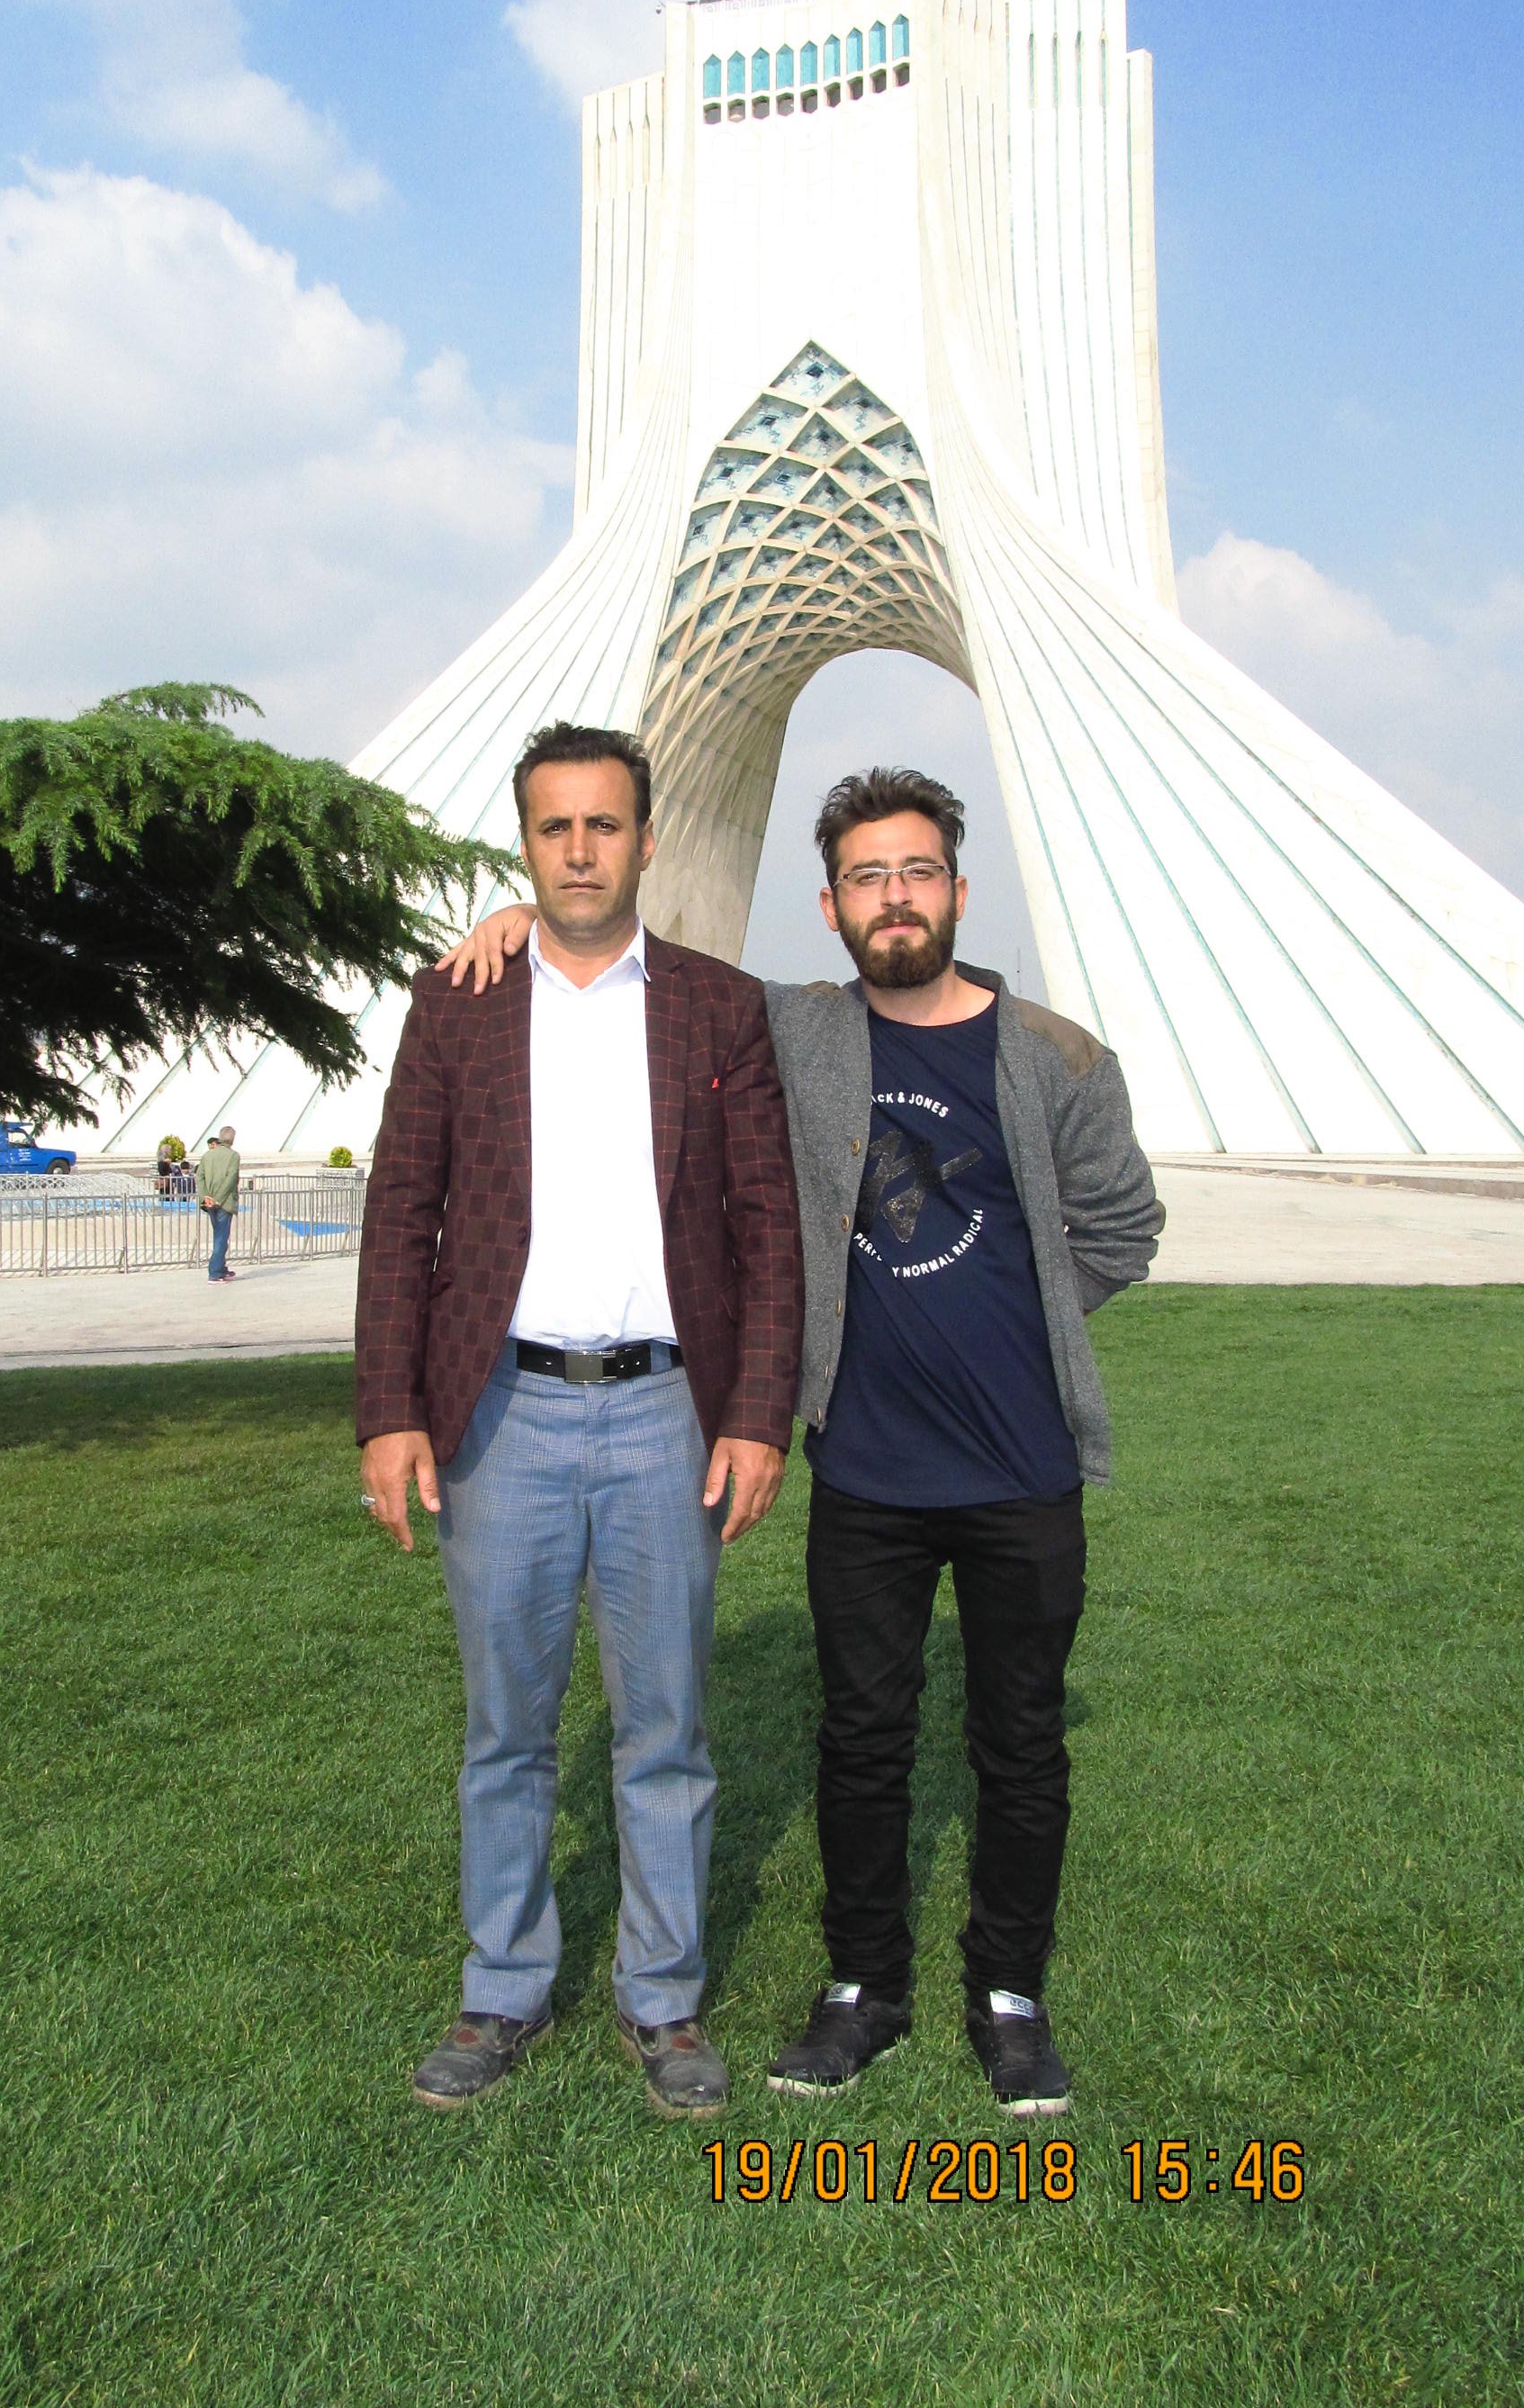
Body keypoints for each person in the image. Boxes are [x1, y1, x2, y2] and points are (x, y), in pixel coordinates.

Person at [439, 766, 1163, 2115]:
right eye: (868, 880)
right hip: (872, 1469)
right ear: (830, 909)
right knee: (864, 1738)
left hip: (1022, 1470)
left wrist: (1036, 1320)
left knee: (1020, 1744)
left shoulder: (1056, 1056)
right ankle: (863, 1985)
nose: (897, 900)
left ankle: (1010, 1995)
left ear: (957, 886)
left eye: (919, 872)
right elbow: (632, 966)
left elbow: (1122, 1229)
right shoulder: (796, 1029)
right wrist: (514, 918)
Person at [357, 721, 803, 2120]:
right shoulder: (463, 1003)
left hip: (670, 1409)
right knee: (508, 1729)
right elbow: (400, 1220)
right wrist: (390, 1413)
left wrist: (756, 1416)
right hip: (503, 1415)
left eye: (604, 826)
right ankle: (503, 1988)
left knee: (664, 1727)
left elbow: (770, 1232)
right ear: (526, 845)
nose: (580, 851)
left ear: (648, 839)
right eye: (555, 828)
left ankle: (662, 2002)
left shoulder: (721, 1011)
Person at [195, 1125, 240, 1281]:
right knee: (221, 1237)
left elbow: (199, 1177)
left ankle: (221, 1268)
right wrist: (218, 1198)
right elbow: (231, 1179)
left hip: (209, 1203)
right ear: (232, 1140)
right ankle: (214, 1272)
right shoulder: (233, 1156)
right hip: (224, 1202)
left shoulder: (208, 1155)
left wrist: (205, 1196)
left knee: (219, 1235)